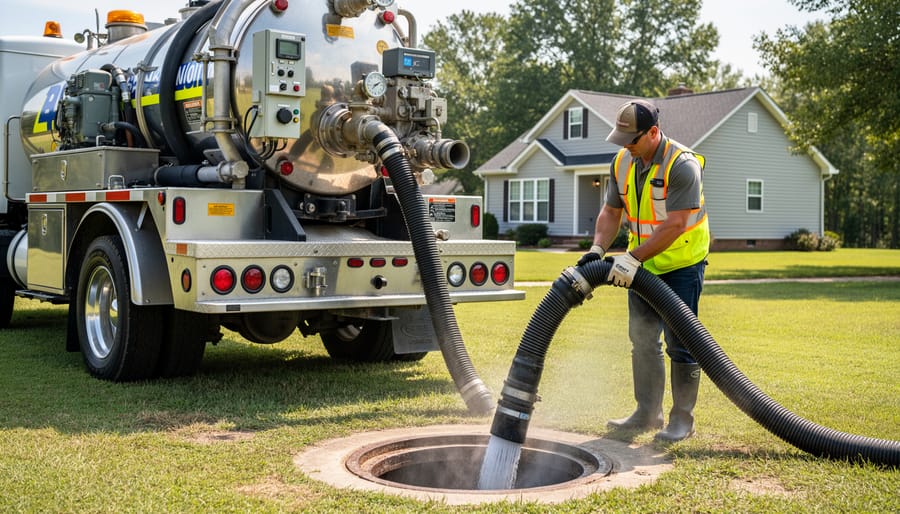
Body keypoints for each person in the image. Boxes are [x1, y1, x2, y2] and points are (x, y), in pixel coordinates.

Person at [578, 99, 710, 441]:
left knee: (681, 343)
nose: (625, 147)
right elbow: (610, 212)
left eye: (631, 140)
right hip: (641, 264)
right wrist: (597, 249)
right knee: (642, 340)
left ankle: (682, 420)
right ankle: (647, 413)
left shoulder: (682, 166)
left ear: (653, 132)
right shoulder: (623, 161)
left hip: (681, 264)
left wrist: (632, 257)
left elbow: (676, 224)